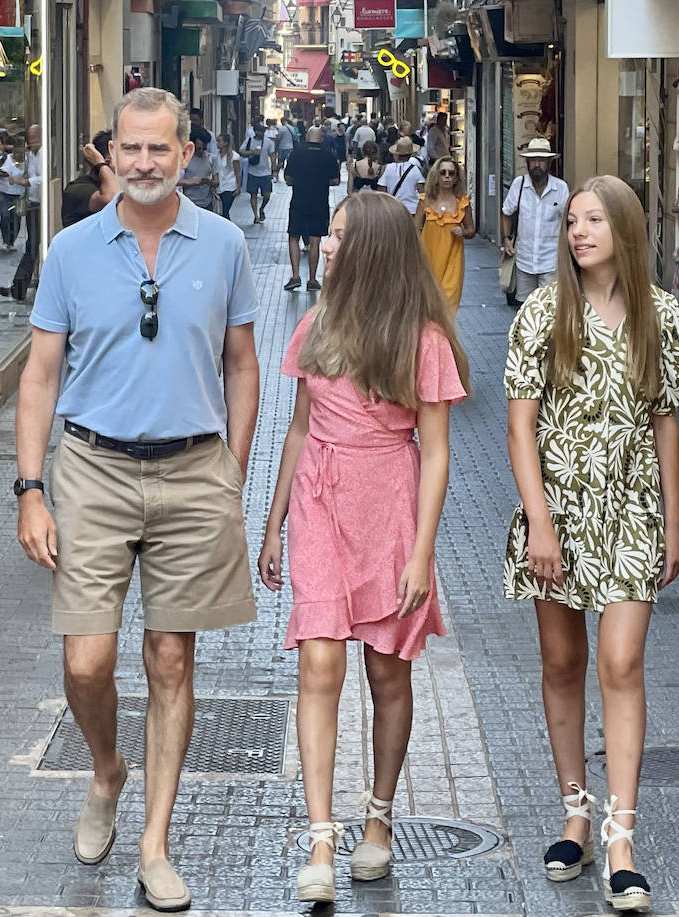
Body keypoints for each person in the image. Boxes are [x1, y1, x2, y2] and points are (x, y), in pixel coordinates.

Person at [15, 87, 259, 913]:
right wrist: (30, 489)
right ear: (109, 155)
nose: (145, 164)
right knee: (86, 660)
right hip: (91, 467)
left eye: (160, 150)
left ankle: (154, 845)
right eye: (131, 149)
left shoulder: (224, 245)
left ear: (185, 155)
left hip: (194, 470)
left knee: (169, 657)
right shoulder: (72, 250)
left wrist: (235, 467)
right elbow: (40, 376)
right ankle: (106, 767)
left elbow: (243, 363)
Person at [257, 190, 470, 905]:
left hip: (390, 505)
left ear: (371, 250)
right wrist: (273, 519)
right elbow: (296, 428)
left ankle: (378, 817)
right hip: (320, 499)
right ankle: (322, 832)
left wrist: (421, 551)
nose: (326, 244)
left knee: (388, 671)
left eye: (340, 236)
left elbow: (436, 453)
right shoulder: (316, 324)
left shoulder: (423, 339)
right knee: (320, 658)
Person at [503, 174, 679, 915]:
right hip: (560, 514)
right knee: (562, 660)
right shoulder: (545, 311)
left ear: (625, 230)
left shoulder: (660, 315)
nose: (577, 232)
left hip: (632, 510)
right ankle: (575, 810)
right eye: (572, 220)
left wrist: (676, 521)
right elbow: (519, 425)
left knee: (620, 660)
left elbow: (665, 418)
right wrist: (537, 520)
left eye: (591, 220)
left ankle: (620, 836)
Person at [501, 138, 569, 305]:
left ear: (549, 163)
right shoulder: (519, 184)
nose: (537, 165)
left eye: (542, 161)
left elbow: (568, 221)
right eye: (533, 161)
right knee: (525, 308)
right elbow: (506, 213)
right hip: (524, 259)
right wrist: (507, 239)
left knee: (549, 308)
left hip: (551, 260)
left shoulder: (560, 188)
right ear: (527, 163)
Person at [283, 126, 341, 292]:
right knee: (315, 240)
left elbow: (288, 179)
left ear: (307, 137)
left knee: (293, 236)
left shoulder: (297, 153)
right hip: (320, 202)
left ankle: (295, 276)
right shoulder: (328, 155)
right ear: (321, 139)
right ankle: (313, 279)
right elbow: (336, 181)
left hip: (299, 201)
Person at [415, 156, 473, 315]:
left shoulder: (462, 203)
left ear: (456, 178)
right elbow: (416, 229)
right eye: (443, 172)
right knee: (428, 309)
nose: (447, 176)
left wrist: (464, 232)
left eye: (451, 173)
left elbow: (471, 230)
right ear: (436, 176)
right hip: (428, 262)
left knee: (448, 308)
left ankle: (445, 339)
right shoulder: (425, 201)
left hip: (453, 263)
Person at [11, 123, 44, 302]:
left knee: (32, 246)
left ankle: (19, 286)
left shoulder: (44, 153)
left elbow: (43, 177)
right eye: (30, 139)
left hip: (41, 204)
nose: (32, 141)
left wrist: (26, 182)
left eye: (34, 138)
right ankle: (19, 285)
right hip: (32, 203)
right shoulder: (31, 155)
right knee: (31, 245)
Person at [61, 130, 120, 228]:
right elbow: (113, 198)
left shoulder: (117, 184)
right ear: (107, 162)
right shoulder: (78, 189)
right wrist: (100, 163)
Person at [242, 119, 277, 223]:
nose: (260, 133)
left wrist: (274, 170)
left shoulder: (268, 142)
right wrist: (252, 152)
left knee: (267, 195)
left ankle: (262, 208)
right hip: (252, 171)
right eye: (258, 131)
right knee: (253, 194)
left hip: (265, 172)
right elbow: (241, 151)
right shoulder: (249, 140)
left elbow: (272, 156)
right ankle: (256, 216)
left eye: (262, 132)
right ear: (255, 131)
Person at [379, 137, 423, 215]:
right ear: (410, 154)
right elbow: (422, 192)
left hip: (393, 209)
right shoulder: (415, 169)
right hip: (412, 210)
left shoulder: (388, 168)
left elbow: (382, 190)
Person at [179, 125, 218, 210]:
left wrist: (207, 181)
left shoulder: (212, 159)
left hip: (207, 204)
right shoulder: (185, 159)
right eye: (198, 148)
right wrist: (190, 182)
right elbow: (173, 182)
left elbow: (216, 182)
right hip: (188, 203)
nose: (201, 151)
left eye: (204, 148)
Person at [0, 142, 25, 252]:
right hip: (2, 192)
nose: (19, 155)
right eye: (17, 152)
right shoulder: (3, 159)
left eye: (22, 153)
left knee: (16, 218)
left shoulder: (26, 163)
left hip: (18, 193)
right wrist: (4, 174)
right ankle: (5, 242)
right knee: (5, 215)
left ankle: (11, 242)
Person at [215, 133, 243, 222]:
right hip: (219, 186)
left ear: (226, 143)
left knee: (225, 211)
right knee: (221, 211)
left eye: (219, 141)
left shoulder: (234, 156)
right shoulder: (216, 155)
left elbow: (237, 173)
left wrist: (238, 188)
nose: (217, 143)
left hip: (230, 186)